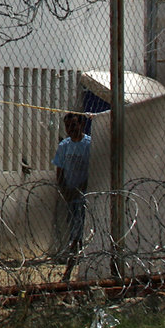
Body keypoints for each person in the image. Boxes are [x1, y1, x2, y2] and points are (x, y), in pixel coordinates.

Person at [53, 111, 91, 280]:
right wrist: (65, 191)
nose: (70, 129)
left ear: (81, 125)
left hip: (86, 195)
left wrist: (80, 189)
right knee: (75, 232)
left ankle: (69, 272)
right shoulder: (64, 146)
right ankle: (77, 268)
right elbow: (59, 171)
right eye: (67, 126)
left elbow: (93, 170)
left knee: (78, 234)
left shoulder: (89, 144)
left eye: (74, 125)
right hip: (70, 196)